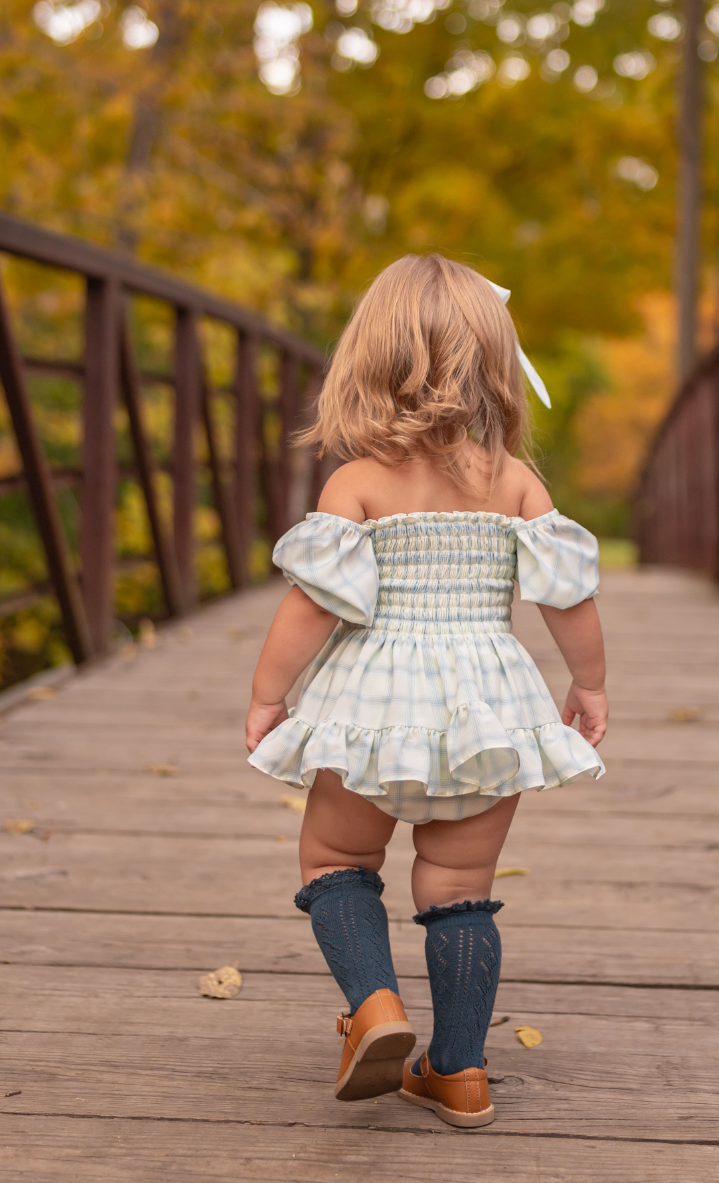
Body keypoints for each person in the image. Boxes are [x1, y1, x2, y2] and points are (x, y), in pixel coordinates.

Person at [245, 253, 607, 1129]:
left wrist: (268, 695)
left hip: (369, 708)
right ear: (497, 363)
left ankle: (375, 1006)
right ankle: (461, 1071)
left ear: (366, 362)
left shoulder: (356, 482)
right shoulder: (514, 481)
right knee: (457, 883)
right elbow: (569, 598)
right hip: (487, 707)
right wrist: (588, 685)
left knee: (336, 861)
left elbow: (309, 607)